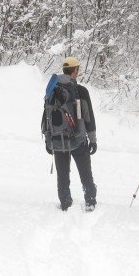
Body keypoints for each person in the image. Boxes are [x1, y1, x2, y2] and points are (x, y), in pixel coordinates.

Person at [44, 57, 98, 211]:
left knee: (62, 175)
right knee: (85, 173)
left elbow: (46, 117)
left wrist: (48, 140)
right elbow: (89, 118)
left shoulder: (51, 89)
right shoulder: (80, 91)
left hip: (57, 140)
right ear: (75, 71)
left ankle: (65, 203)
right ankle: (90, 201)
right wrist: (93, 140)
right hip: (77, 139)